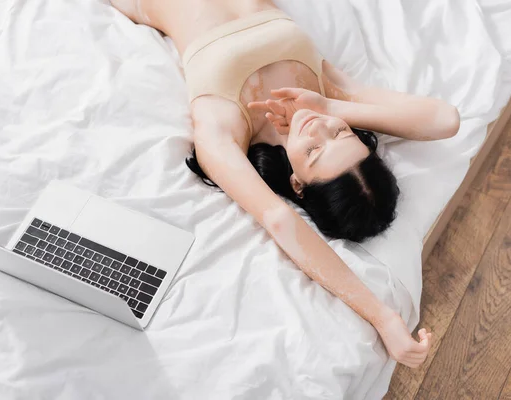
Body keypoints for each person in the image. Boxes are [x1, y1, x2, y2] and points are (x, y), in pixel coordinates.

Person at [110, 0, 460, 369]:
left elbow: (279, 220)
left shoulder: (225, 130)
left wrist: (383, 316)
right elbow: (445, 119)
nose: (317, 127)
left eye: (313, 151)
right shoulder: (328, 95)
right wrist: (333, 107)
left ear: (297, 184)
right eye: (340, 133)